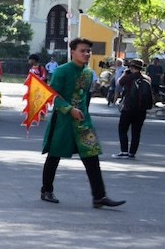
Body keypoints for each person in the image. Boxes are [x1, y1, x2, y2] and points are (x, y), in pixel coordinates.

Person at [39, 37, 125, 209]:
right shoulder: (62, 71)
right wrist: (70, 109)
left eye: (88, 51)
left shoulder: (88, 73)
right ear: (73, 52)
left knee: (92, 157)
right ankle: (46, 190)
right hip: (63, 121)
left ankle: (99, 196)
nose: (86, 54)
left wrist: (85, 115)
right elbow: (52, 96)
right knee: (54, 155)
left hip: (83, 122)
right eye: (82, 51)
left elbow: (85, 97)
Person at [113, 58, 152, 159]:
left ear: (131, 67)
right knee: (136, 131)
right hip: (141, 110)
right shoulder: (147, 79)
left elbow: (119, 83)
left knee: (122, 129)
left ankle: (124, 151)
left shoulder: (128, 77)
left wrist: (125, 74)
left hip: (128, 108)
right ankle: (132, 153)